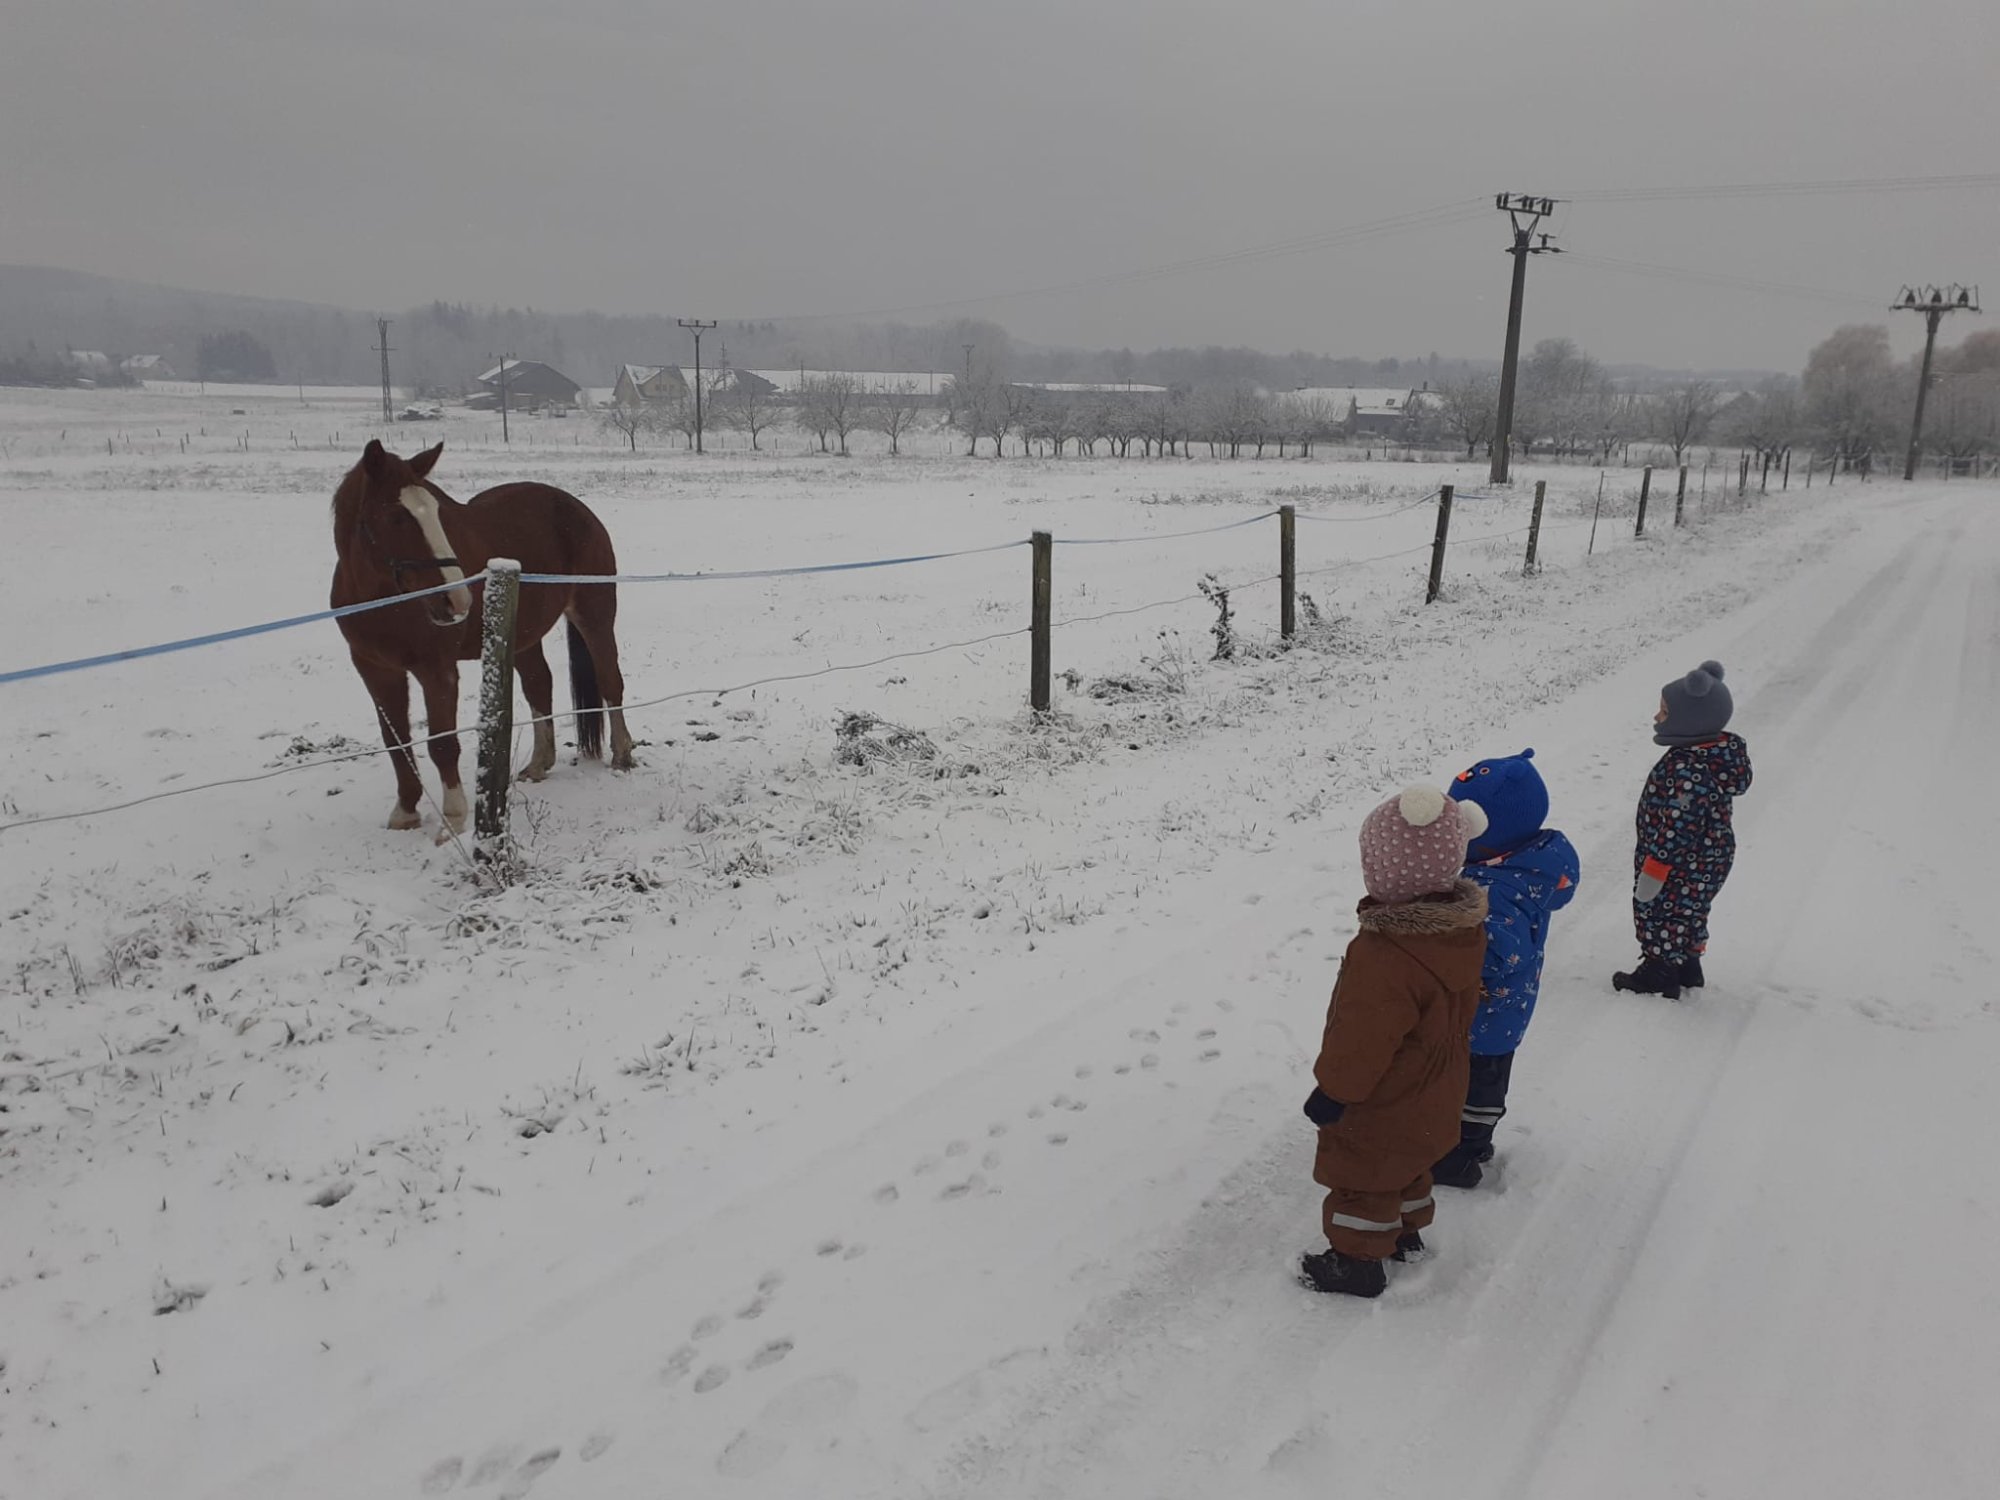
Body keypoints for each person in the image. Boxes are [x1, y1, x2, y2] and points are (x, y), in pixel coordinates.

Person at [1301, 785, 1489, 1299]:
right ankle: (1406, 1235)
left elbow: (1362, 1038)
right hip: (1440, 1085)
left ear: (1388, 872)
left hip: (1385, 1093)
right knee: (1411, 1160)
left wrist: (1334, 1092)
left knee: (1364, 1172)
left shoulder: (1384, 954)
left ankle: (1357, 1261)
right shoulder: (1460, 932)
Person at [1431, 749, 1579, 1190]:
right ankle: (1475, 1141)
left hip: (1483, 1016)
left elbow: (1491, 954)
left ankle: (1459, 1156)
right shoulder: (1527, 867)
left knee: (1470, 1088)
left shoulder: (1494, 890)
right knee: (1486, 1084)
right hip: (1505, 1013)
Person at [1613, 661, 1753, 1000]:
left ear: (1691, 720)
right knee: (1690, 909)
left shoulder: (1688, 768)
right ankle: (1689, 965)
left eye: (1663, 712)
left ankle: (1659, 970)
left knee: (1658, 909)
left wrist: (1656, 868)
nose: (1657, 718)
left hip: (1678, 861)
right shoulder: (1716, 757)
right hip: (1710, 857)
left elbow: (1678, 825)